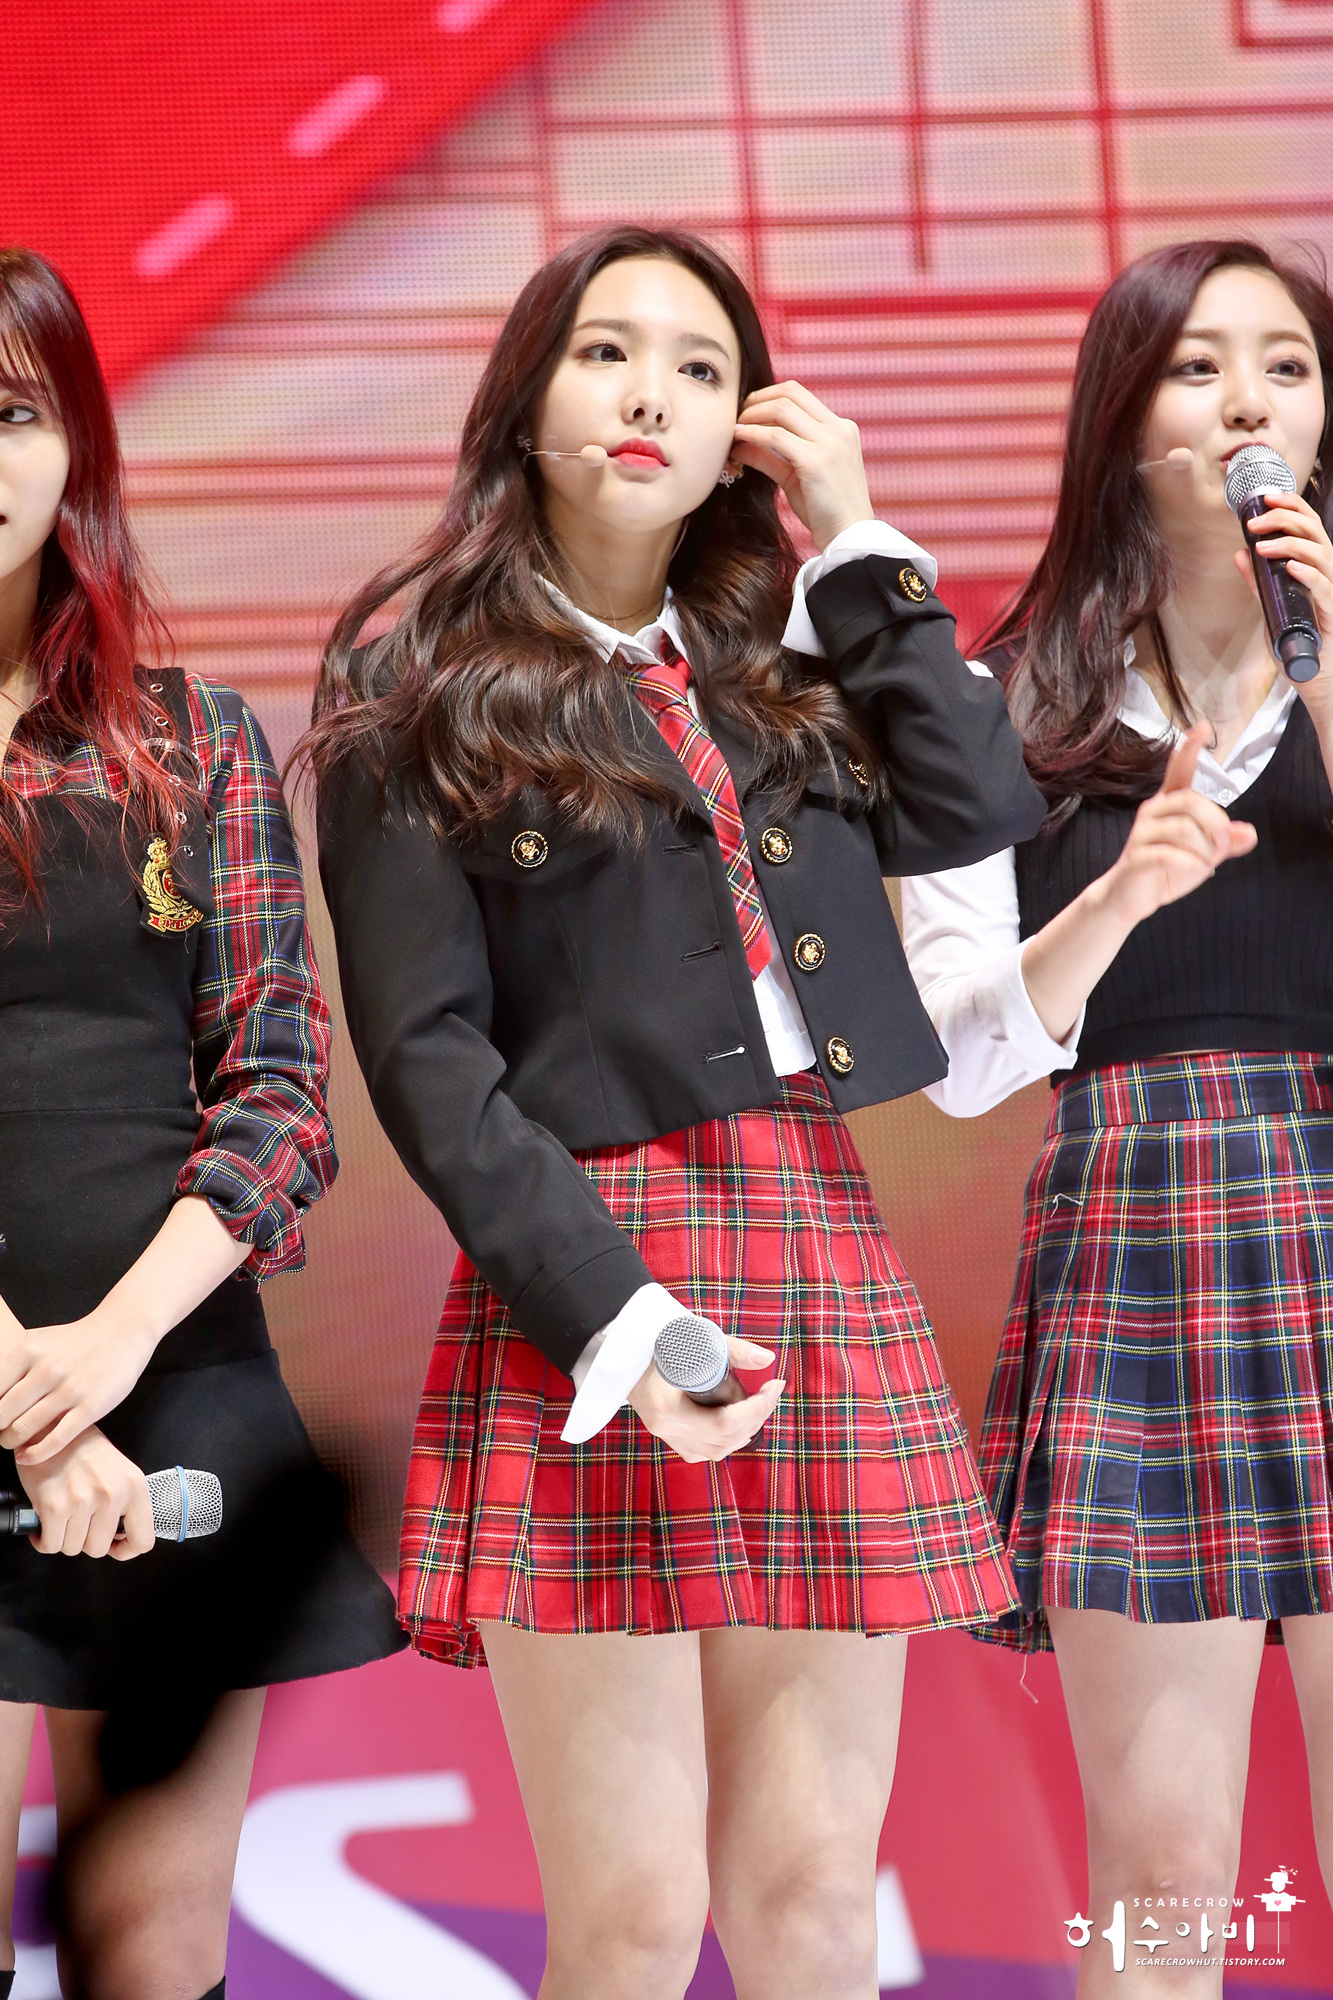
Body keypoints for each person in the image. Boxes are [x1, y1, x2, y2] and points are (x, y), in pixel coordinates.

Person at [308, 224, 1045, 2000]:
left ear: (742, 436)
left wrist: (852, 534)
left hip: (814, 1234)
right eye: (606, 351)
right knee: (633, 1923)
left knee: (811, 1903)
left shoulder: (782, 663)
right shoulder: (413, 693)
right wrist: (621, 1322)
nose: (651, 393)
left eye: (702, 369)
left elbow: (974, 803)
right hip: (588, 1275)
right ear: (526, 399)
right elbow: (427, 1063)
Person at [900, 239, 1333, 1993]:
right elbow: (960, 1061)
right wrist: (1115, 897)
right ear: (1120, 412)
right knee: (1162, 1879)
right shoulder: (1007, 701)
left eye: (1285, 365)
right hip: (1143, 1241)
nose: (1247, 402)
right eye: (1198, 365)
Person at [0, 248, 403, 2000]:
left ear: (76, 447)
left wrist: (107, 1350)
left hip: (170, 1382)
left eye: (11, 411)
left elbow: (280, 1092)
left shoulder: (192, 742)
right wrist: (30, 1399)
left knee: (152, 1949)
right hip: (27, 1383)